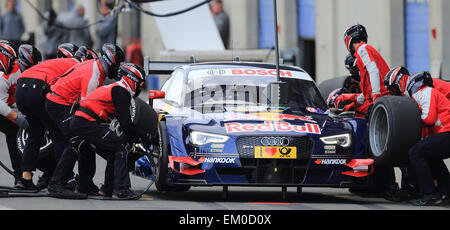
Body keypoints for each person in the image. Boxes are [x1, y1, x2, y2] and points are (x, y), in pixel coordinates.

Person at [46, 43, 125, 197]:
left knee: (85, 142)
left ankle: (85, 183)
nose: (117, 69)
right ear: (108, 63)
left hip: (62, 100)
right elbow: (87, 109)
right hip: (58, 104)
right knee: (77, 138)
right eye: (115, 66)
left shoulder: (96, 66)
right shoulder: (93, 76)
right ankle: (56, 183)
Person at [70, 63, 156, 199]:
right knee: (119, 148)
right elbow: (126, 124)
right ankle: (120, 189)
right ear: (131, 79)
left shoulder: (116, 88)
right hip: (85, 121)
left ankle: (104, 188)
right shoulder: (121, 91)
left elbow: (121, 124)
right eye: (139, 84)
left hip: (81, 121)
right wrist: (142, 137)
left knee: (111, 148)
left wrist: (135, 137)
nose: (140, 88)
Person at [15, 43, 83, 190]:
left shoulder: (52, 62)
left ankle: (25, 178)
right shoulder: (79, 66)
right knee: (59, 134)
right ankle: (65, 178)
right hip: (37, 89)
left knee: (34, 134)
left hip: (21, 88)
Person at [405, 73, 450, 206]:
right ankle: (446, 192)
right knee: (430, 155)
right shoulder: (430, 93)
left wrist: (415, 116)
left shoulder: (426, 91)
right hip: (445, 133)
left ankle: (429, 194)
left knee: (415, 152)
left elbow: (429, 119)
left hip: (447, 132)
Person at [0, 40, 26, 187]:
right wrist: (16, 117)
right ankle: (19, 175)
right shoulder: (2, 76)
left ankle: (20, 176)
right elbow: (1, 106)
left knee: (13, 132)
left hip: (4, 102)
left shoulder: (17, 67)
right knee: (13, 130)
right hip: (1, 103)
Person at [385, 67, 450, 100]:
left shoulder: (415, 88)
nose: (393, 94)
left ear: (399, 81)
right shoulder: (412, 86)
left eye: (393, 90)